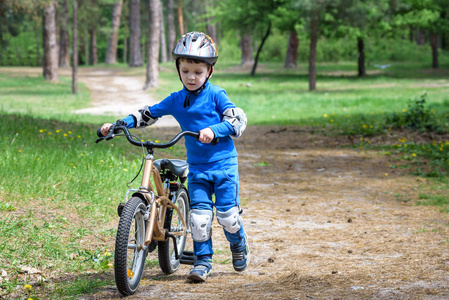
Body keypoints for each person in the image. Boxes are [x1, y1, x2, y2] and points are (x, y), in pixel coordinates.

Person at [100, 32, 249, 283]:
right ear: (178, 69)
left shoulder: (216, 95)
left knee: (228, 217)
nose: (191, 77)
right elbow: (148, 114)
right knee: (199, 219)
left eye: (198, 72)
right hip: (199, 169)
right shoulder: (177, 99)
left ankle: (238, 243)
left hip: (224, 166)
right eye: (186, 70)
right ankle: (203, 263)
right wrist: (118, 124)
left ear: (209, 72)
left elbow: (238, 120)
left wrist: (214, 130)